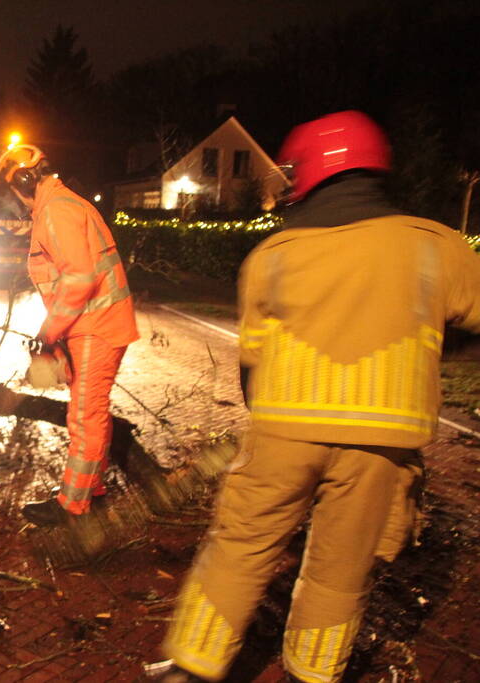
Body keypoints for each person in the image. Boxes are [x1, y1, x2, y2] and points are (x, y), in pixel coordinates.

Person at [156, 110, 480, 683]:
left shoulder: (274, 255)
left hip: (283, 431)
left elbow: (252, 359)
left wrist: (266, 427)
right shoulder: (438, 247)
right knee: (339, 569)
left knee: (241, 546)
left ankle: (194, 668)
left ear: (304, 174)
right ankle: (314, 672)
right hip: (379, 446)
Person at [0, 143, 139, 527]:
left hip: (95, 326)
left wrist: (48, 333)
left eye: (12, 189)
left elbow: (78, 280)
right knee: (91, 411)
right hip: (93, 325)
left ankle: (72, 506)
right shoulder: (61, 204)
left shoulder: (56, 211)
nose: (14, 198)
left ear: (22, 181)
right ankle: (92, 488)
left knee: (84, 416)